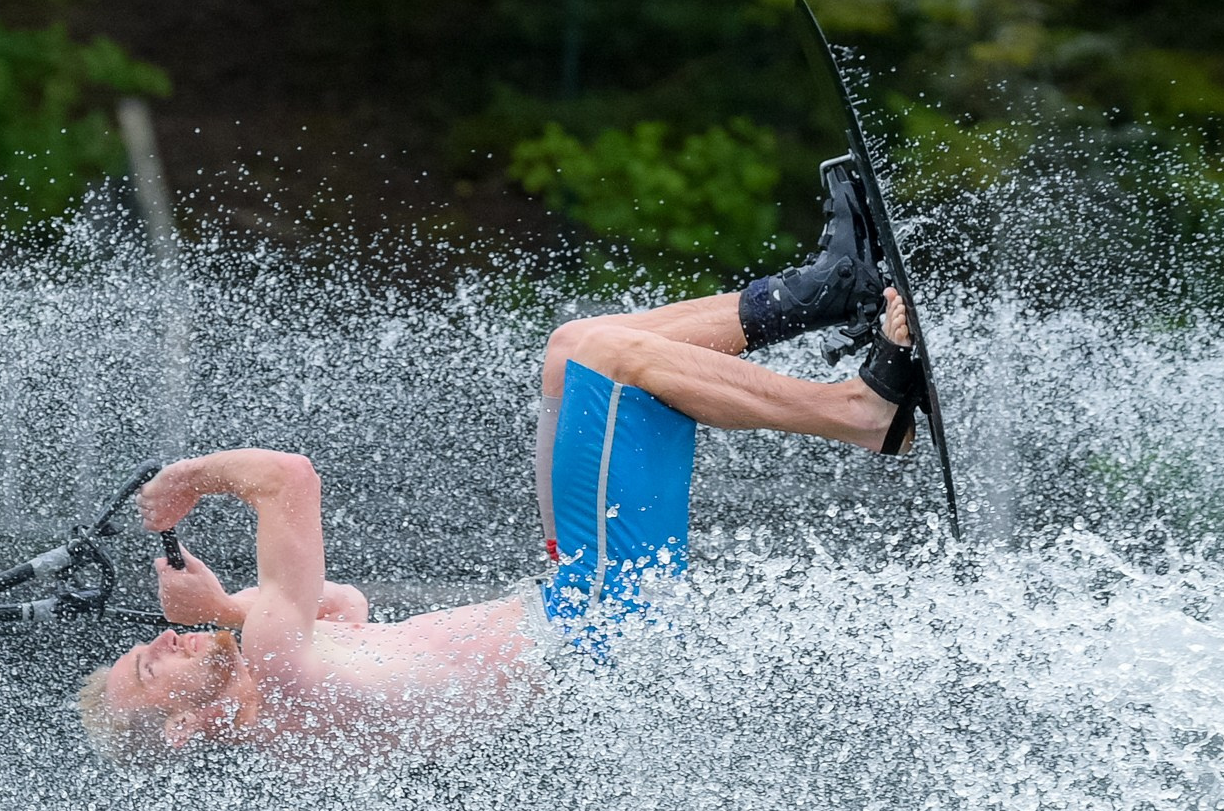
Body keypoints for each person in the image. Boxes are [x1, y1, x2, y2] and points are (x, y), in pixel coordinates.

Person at [79, 179, 927, 759]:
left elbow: (344, 608)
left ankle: (827, 290)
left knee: (570, 351)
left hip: (586, 617)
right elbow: (288, 477)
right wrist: (193, 477)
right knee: (609, 366)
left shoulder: (291, 720)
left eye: (142, 648)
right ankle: (859, 413)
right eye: (152, 669)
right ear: (188, 728)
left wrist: (225, 604)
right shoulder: (279, 669)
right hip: (600, 627)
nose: (158, 641)